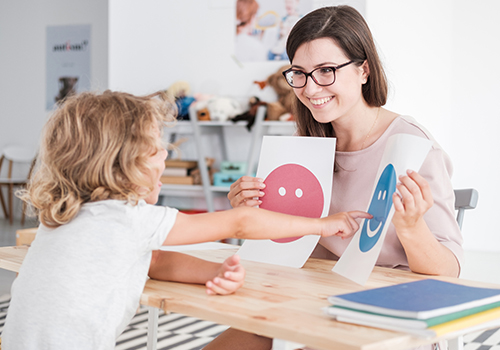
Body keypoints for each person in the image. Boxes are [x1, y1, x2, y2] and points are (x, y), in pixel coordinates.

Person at [1, 90, 370, 349]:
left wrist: (209, 273)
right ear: (121, 164)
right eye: (154, 148)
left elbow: (154, 260)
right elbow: (241, 223)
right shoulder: (125, 219)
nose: (165, 154)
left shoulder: (66, 218)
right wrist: (321, 225)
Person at [210, 5, 463, 350]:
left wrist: (411, 226)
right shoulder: (305, 144)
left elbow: (448, 274)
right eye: (299, 73)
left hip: (389, 315)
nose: (311, 89)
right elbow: (285, 242)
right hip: (310, 301)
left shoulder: (413, 147)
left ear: (364, 70)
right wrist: (251, 211)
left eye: (326, 70)